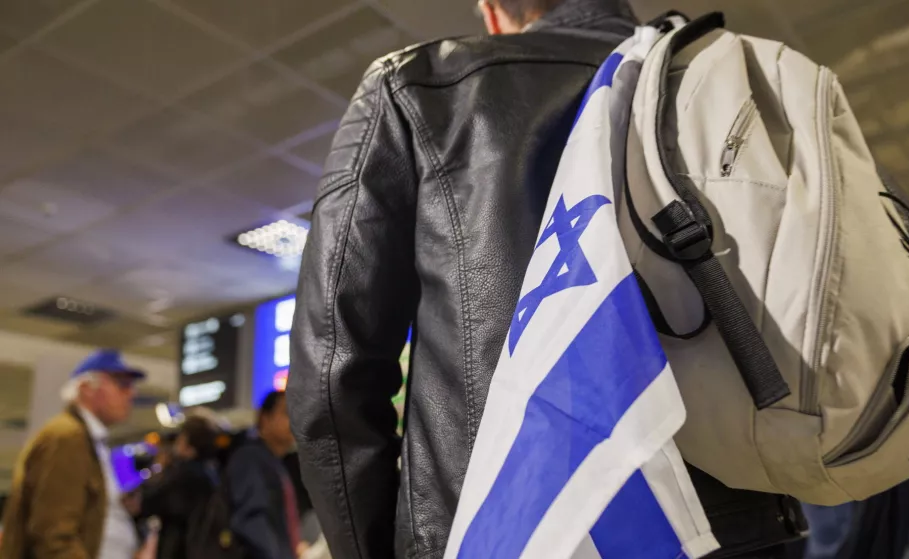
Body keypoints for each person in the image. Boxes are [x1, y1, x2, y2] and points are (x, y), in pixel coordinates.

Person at [288, 1, 805, 558]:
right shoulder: (719, 80)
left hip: (513, 530)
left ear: (492, 10)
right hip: (740, 530)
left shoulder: (419, 88)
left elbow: (333, 374)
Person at [0, 349, 145, 559]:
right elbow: (53, 536)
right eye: (121, 384)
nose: (132, 393)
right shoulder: (67, 437)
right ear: (86, 388)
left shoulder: (90, 442)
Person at [226, 391, 305, 559]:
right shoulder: (249, 458)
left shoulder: (274, 462)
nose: (294, 422)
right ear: (265, 419)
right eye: (286, 413)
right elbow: (252, 520)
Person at [140, 415, 221, 559]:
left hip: (179, 548)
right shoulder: (213, 474)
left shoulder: (181, 475)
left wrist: (159, 467)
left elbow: (148, 502)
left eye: (181, 438)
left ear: (189, 446)